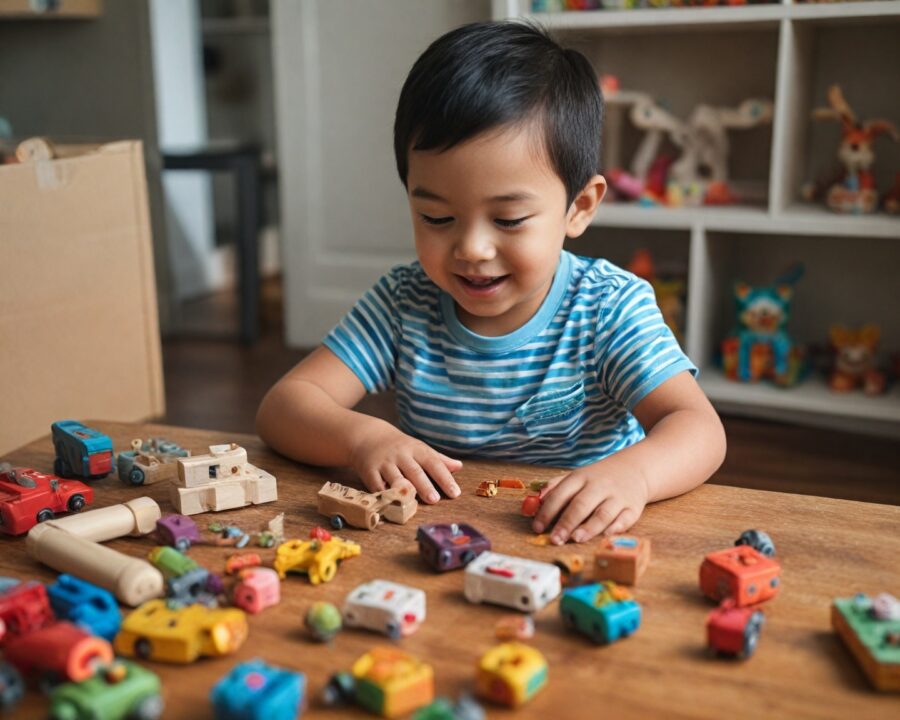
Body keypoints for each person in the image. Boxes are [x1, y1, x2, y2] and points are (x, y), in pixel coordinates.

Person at [257, 21, 726, 545]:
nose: (472, 249)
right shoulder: (402, 302)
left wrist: (634, 475)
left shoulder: (606, 306)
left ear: (579, 207)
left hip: (576, 535)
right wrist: (362, 438)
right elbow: (285, 405)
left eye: (507, 220)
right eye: (436, 218)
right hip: (440, 536)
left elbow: (698, 428)